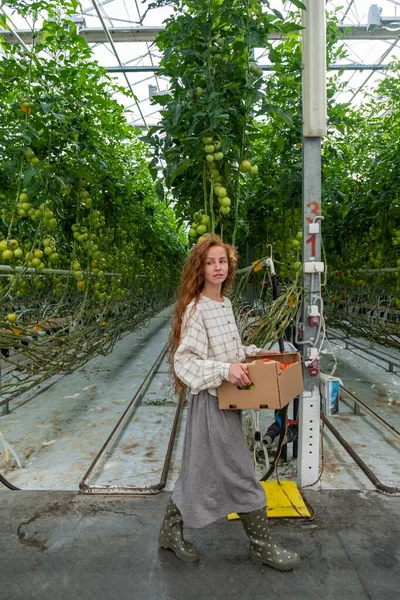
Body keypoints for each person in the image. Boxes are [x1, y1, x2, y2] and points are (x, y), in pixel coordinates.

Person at [158, 234, 300, 571]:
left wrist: (257, 354)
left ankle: (169, 533)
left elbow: (231, 353)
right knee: (241, 473)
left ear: (230, 265)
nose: (217, 267)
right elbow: (185, 361)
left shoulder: (225, 304)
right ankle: (261, 547)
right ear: (200, 268)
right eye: (210, 262)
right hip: (211, 404)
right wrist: (225, 369)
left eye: (222, 261)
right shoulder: (196, 309)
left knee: (196, 472)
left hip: (225, 402)